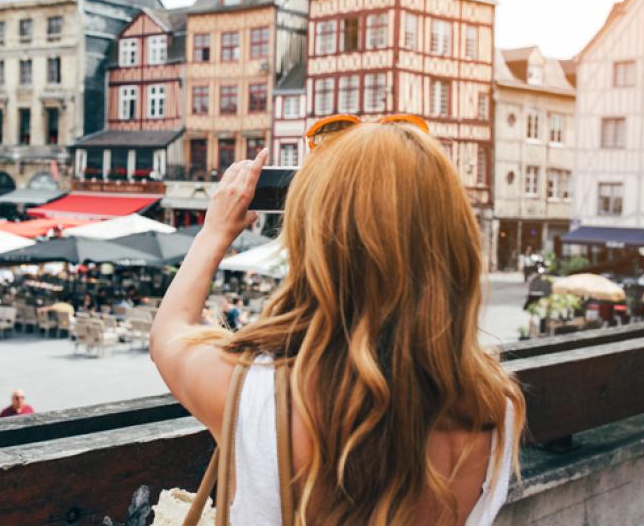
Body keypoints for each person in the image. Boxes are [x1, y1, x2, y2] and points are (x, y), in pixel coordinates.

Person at [151, 125, 525, 525]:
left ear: (316, 240)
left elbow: (168, 333)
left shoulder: (256, 391)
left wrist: (215, 231)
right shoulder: (493, 406)